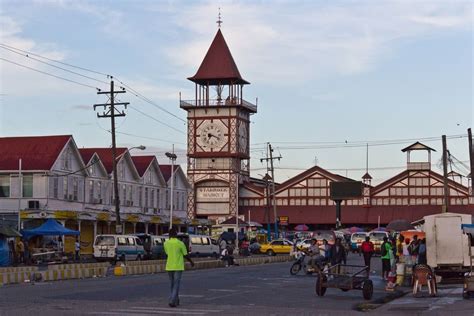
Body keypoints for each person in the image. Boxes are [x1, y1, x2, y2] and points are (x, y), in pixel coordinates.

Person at [164, 227, 194, 308]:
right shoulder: (180, 243)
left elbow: (167, 253)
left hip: (169, 266)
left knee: (172, 284)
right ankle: (172, 300)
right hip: (178, 266)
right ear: (176, 234)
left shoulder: (166, 243)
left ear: (169, 235)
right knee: (176, 284)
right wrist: (191, 262)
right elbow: (185, 255)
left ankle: (176, 300)